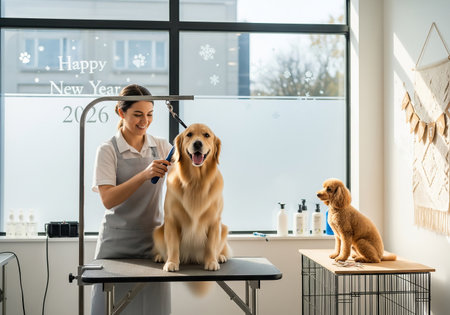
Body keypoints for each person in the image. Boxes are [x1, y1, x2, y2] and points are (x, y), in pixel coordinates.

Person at [91, 84, 171, 315]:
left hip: (154, 244)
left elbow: (187, 180)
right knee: (112, 308)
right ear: (120, 112)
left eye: (149, 114)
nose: (144, 121)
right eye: (137, 114)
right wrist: (145, 175)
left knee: (152, 309)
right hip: (117, 245)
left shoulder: (162, 147)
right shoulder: (108, 150)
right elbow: (108, 199)